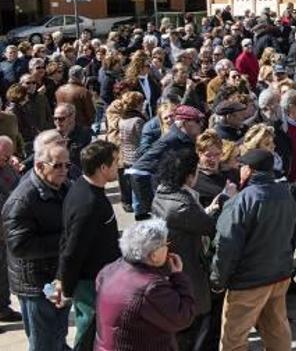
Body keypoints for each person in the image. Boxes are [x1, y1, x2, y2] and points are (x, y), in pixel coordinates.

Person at [211, 148, 296, 351]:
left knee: (234, 339)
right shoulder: (285, 194)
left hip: (248, 282)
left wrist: (218, 280)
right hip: (279, 275)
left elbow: (226, 246)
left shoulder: (240, 201)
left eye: (242, 166)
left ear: (248, 170)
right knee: (277, 329)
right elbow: (292, 234)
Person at [152, 150, 225, 350]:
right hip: (189, 271)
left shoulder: (162, 194)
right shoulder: (182, 206)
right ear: (189, 176)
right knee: (194, 329)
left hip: (174, 267)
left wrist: (210, 209)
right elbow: (211, 227)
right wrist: (229, 201)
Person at [2, 141, 71, 350]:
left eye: (67, 165)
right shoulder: (22, 200)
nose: (64, 171)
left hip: (57, 277)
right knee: (43, 343)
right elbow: (20, 245)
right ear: (39, 166)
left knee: (57, 336)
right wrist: (65, 240)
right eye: (57, 165)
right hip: (35, 285)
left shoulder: (65, 186)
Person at [55, 140, 121, 350]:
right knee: (89, 333)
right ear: (103, 168)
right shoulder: (88, 204)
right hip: (89, 283)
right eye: (115, 162)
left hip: (97, 278)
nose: (118, 166)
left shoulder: (84, 189)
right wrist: (65, 286)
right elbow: (72, 250)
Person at [94, 219, 196, 350]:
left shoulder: (109, 270)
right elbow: (183, 316)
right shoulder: (151, 289)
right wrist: (178, 276)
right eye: (165, 244)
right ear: (153, 255)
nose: (168, 248)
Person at [128, 104, 204, 220]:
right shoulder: (170, 140)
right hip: (168, 203)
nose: (201, 124)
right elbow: (137, 171)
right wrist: (150, 206)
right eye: (197, 121)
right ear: (184, 123)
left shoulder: (188, 139)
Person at [0, 136, 23, 323]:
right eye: (4, 157)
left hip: (6, 231)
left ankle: (2, 308)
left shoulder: (8, 167)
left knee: (3, 273)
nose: (7, 161)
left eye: (9, 157)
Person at [55, 65, 96, 134]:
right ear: (81, 76)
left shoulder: (59, 90)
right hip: (80, 128)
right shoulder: (83, 92)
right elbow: (91, 113)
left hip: (64, 127)